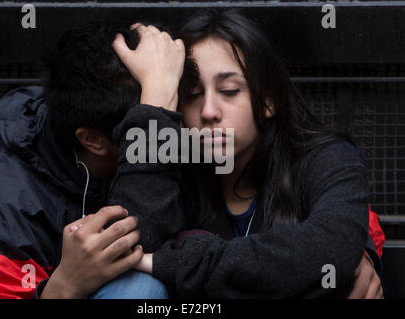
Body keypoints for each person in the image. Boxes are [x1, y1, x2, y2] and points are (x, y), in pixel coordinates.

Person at [112, 10, 384, 298]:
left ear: (268, 101)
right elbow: (132, 250)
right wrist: (154, 105)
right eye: (192, 94)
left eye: (229, 91)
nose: (208, 112)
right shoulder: (174, 167)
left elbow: (330, 253)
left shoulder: (327, 158)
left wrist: (168, 263)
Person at [0, 22, 186, 299]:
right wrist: (64, 288)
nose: (175, 126)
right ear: (93, 140)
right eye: (152, 117)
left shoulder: (194, 137)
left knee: (139, 287)